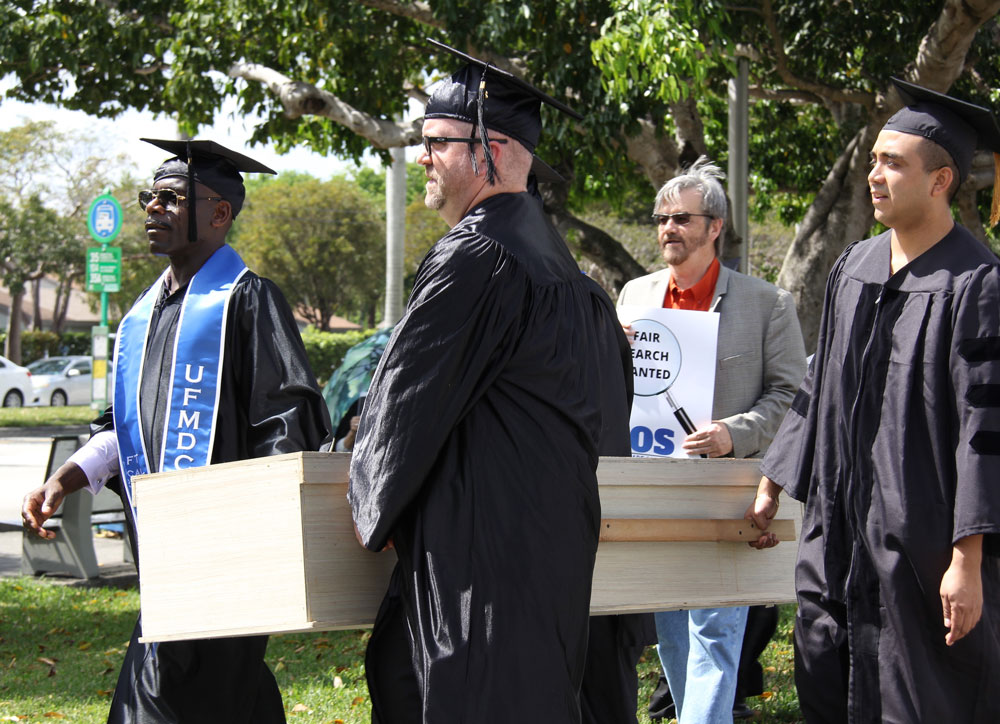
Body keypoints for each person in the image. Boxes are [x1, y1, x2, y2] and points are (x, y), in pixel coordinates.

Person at [348, 41, 634, 724]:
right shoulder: (573, 279)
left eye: (438, 142)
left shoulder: (475, 257)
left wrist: (368, 500)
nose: (423, 156)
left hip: (480, 565)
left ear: (492, 150)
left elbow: (405, 406)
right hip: (557, 558)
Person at [21, 139, 332, 724]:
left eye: (172, 198)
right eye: (150, 196)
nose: (152, 210)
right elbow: (124, 429)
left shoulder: (248, 302)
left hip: (227, 563)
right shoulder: (142, 317)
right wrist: (64, 479)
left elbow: (287, 426)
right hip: (166, 565)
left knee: (181, 698)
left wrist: (253, 537)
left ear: (221, 214)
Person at [747, 78, 1000, 723]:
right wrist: (776, 478)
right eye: (873, 161)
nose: (875, 176)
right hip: (837, 538)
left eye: (894, 163)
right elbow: (820, 378)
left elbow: (985, 428)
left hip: (920, 550)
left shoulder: (977, 285)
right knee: (826, 681)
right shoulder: (852, 268)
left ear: (941, 181)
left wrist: (966, 560)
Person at [617, 156, 806, 724]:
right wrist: (611, 350)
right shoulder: (633, 296)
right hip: (651, 487)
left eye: (681, 219)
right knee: (673, 631)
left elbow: (792, 398)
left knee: (717, 630)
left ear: (714, 227)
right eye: (661, 218)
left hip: (726, 488)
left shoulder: (767, 304)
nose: (667, 229)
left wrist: (734, 432)